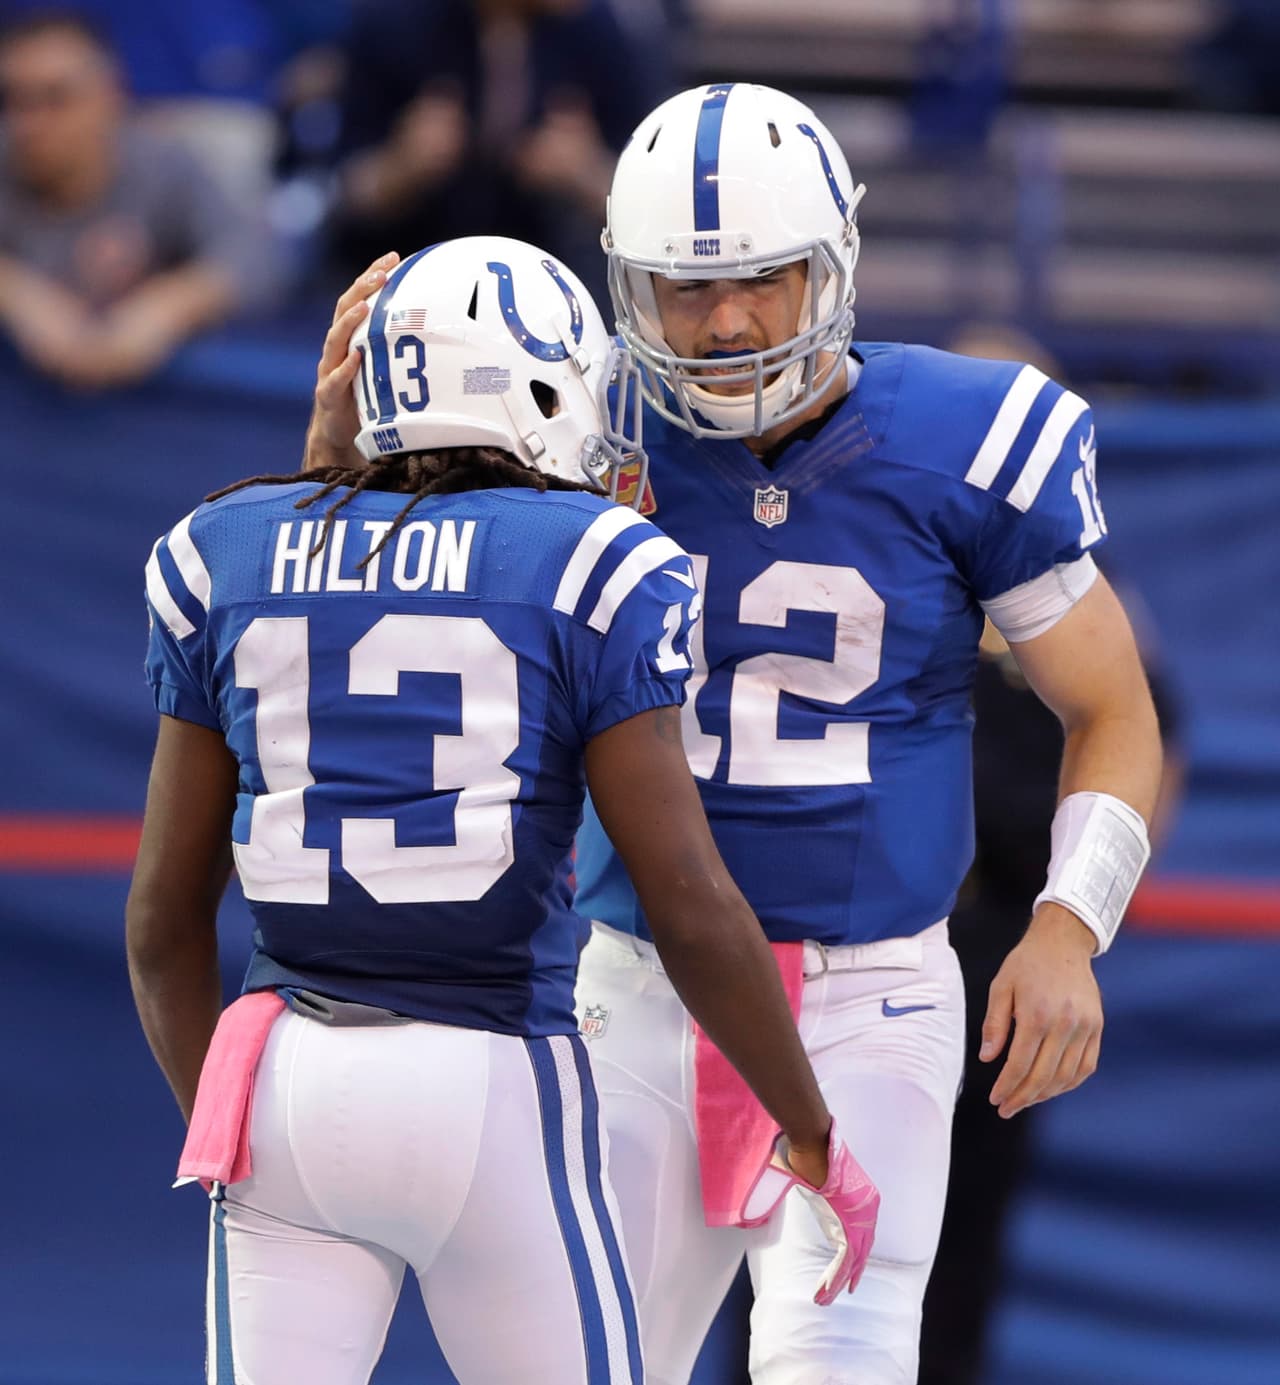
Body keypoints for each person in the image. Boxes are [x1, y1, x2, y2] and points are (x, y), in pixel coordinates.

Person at [305, 83, 1163, 1385]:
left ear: (834, 263)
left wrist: (1069, 924)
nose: (727, 321)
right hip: (638, 990)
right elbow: (374, 616)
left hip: (871, 995)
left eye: (763, 278)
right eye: (683, 288)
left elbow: (1113, 706)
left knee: (843, 1359)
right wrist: (334, 458)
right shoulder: (574, 429)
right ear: (623, 289)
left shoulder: (965, 439)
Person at [126, 234, 879, 1385]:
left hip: (282, 1072)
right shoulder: (589, 559)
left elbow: (159, 922)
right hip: (491, 1076)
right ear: (539, 385)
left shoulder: (224, 547)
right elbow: (685, 898)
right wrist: (809, 1126)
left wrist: (237, 1137)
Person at [0, 10, 272, 390]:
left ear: (111, 95)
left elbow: (260, 254)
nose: (29, 124)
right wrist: (15, 291)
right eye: (14, 100)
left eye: (56, 98)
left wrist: (168, 306)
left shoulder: (162, 165)